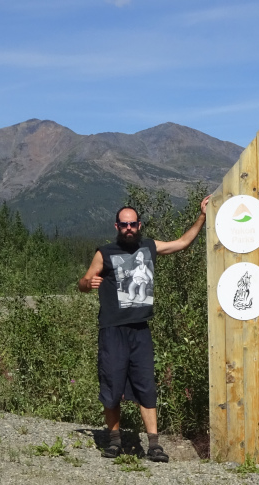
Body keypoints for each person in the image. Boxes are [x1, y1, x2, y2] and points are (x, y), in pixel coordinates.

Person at [78, 196, 210, 461]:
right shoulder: (105, 253)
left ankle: (154, 445)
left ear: (139, 225)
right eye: (124, 224)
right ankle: (114, 441)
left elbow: (182, 243)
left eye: (132, 224)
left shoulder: (149, 247)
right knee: (112, 384)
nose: (128, 228)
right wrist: (87, 284)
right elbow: (83, 281)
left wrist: (202, 216)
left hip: (140, 330)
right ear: (117, 226)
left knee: (146, 385)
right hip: (113, 330)